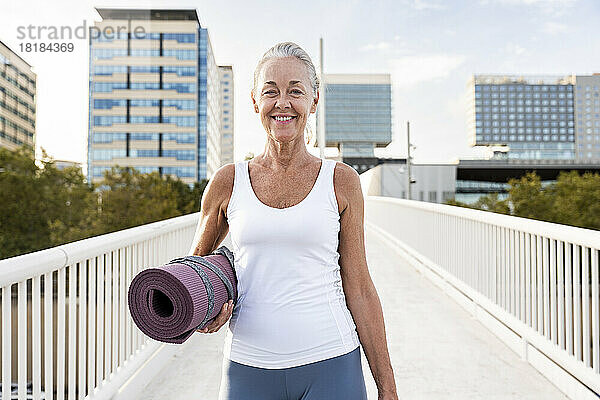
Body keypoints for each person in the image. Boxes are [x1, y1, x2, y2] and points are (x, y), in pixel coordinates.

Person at [188, 41, 398, 400]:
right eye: (271, 92)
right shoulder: (227, 181)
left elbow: (359, 287)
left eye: (295, 92)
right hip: (247, 365)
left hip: (332, 360)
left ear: (313, 101)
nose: (282, 103)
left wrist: (387, 388)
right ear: (255, 101)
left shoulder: (341, 181)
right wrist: (206, 309)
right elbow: (193, 272)